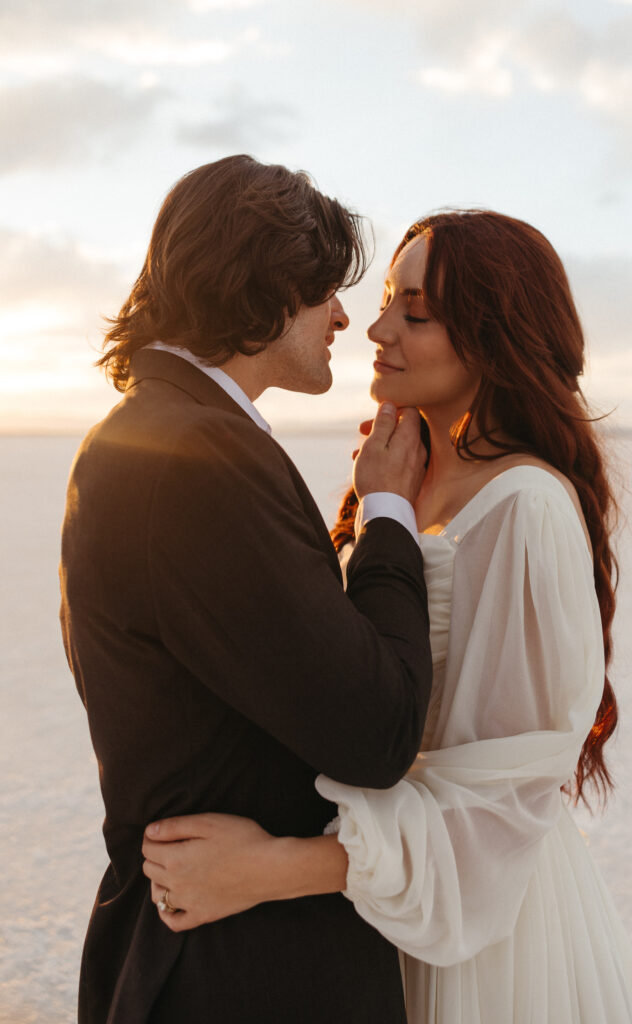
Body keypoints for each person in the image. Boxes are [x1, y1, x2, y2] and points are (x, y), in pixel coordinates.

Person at [142, 210, 632, 1023]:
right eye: (386, 301)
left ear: (495, 339)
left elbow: (509, 790)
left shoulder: (526, 504)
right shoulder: (396, 479)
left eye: (414, 314)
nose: (376, 329)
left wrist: (275, 868)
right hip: (386, 902)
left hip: (483, 925)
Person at [59, 155, 436, 1024]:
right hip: (240, 972)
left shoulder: (149, 433)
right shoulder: (192, 458)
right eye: (325, 291)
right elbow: (375, 732)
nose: (346, 315)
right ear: (265, 286)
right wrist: (387, 514)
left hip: (203, 953)